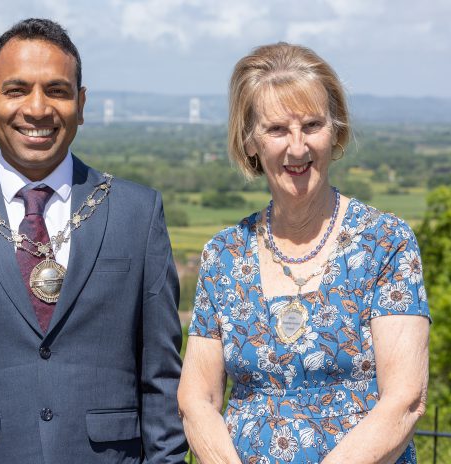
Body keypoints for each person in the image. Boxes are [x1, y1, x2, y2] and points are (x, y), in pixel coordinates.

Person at [0, 18, 186, 464]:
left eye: (58, 91)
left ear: (81, 105)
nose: (38, 108)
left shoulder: (137, 213)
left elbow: (162, 379)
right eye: (17, 89)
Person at [178, 43, 430, 463]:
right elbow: (196, 398)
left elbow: (404, 399)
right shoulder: (223, 254)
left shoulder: (386, 243)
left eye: (312, 125)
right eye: (277, 130)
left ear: (336, 132)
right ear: (250, 142)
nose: (297, 148)